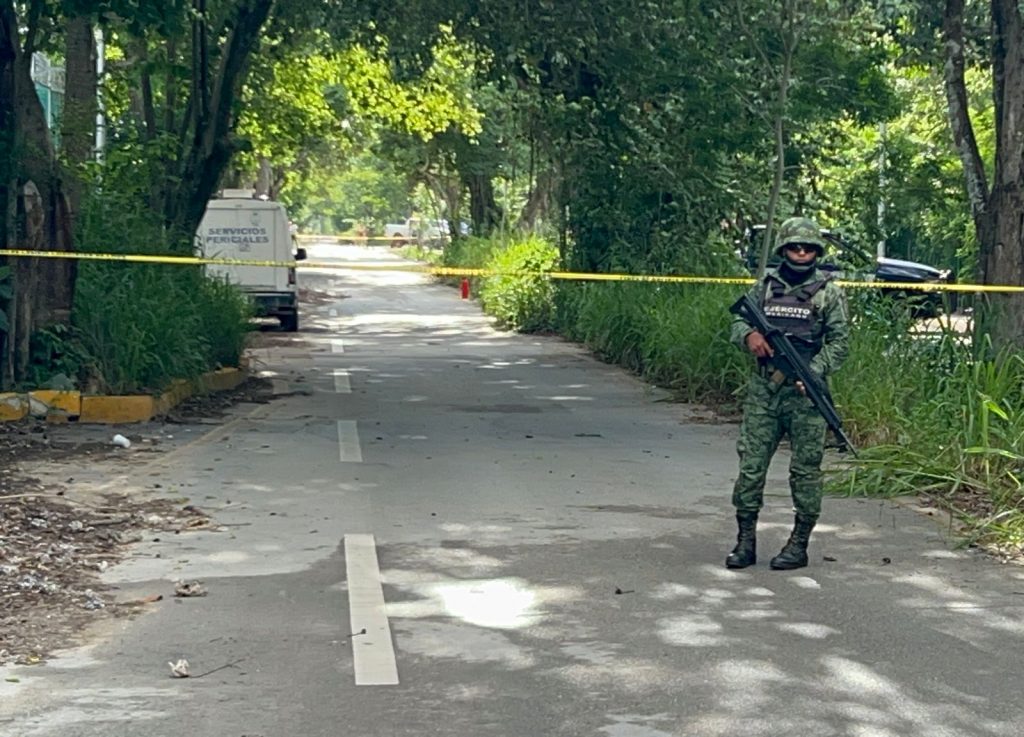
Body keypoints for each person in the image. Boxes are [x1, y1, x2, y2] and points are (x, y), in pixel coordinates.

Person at [726, 216, 850, 571]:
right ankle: (745, 541)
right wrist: (749, 337)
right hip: (764, 392)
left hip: (806, 395)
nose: (801, 252)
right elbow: (739, 320)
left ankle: (799, 544)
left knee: (806, 471)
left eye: (808, 247)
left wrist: (813, 371)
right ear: (783, 248)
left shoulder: (829, 291)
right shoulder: (764, 287)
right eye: (794, 246)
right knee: (751, 467)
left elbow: (840, 343)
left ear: (816, 251)